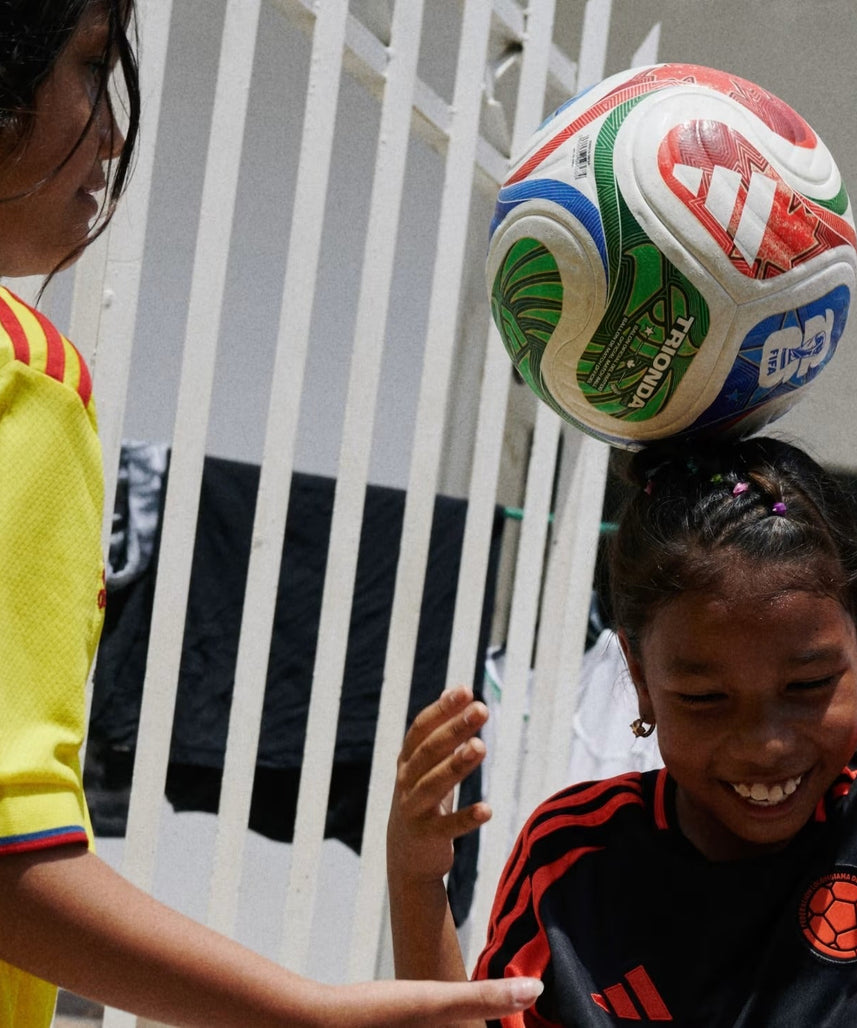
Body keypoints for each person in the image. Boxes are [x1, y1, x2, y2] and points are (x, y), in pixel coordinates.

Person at [0, 2, 547, 1025]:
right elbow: (8, 858)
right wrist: (306, 1006)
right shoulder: (22, 376)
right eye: (88, 65)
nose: (111, 127)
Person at [388, 434, 857, 1025]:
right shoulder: (571, 866)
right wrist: (417, 878)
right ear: (639, 678)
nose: (766, 743)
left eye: (810, 686)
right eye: (706, 698)